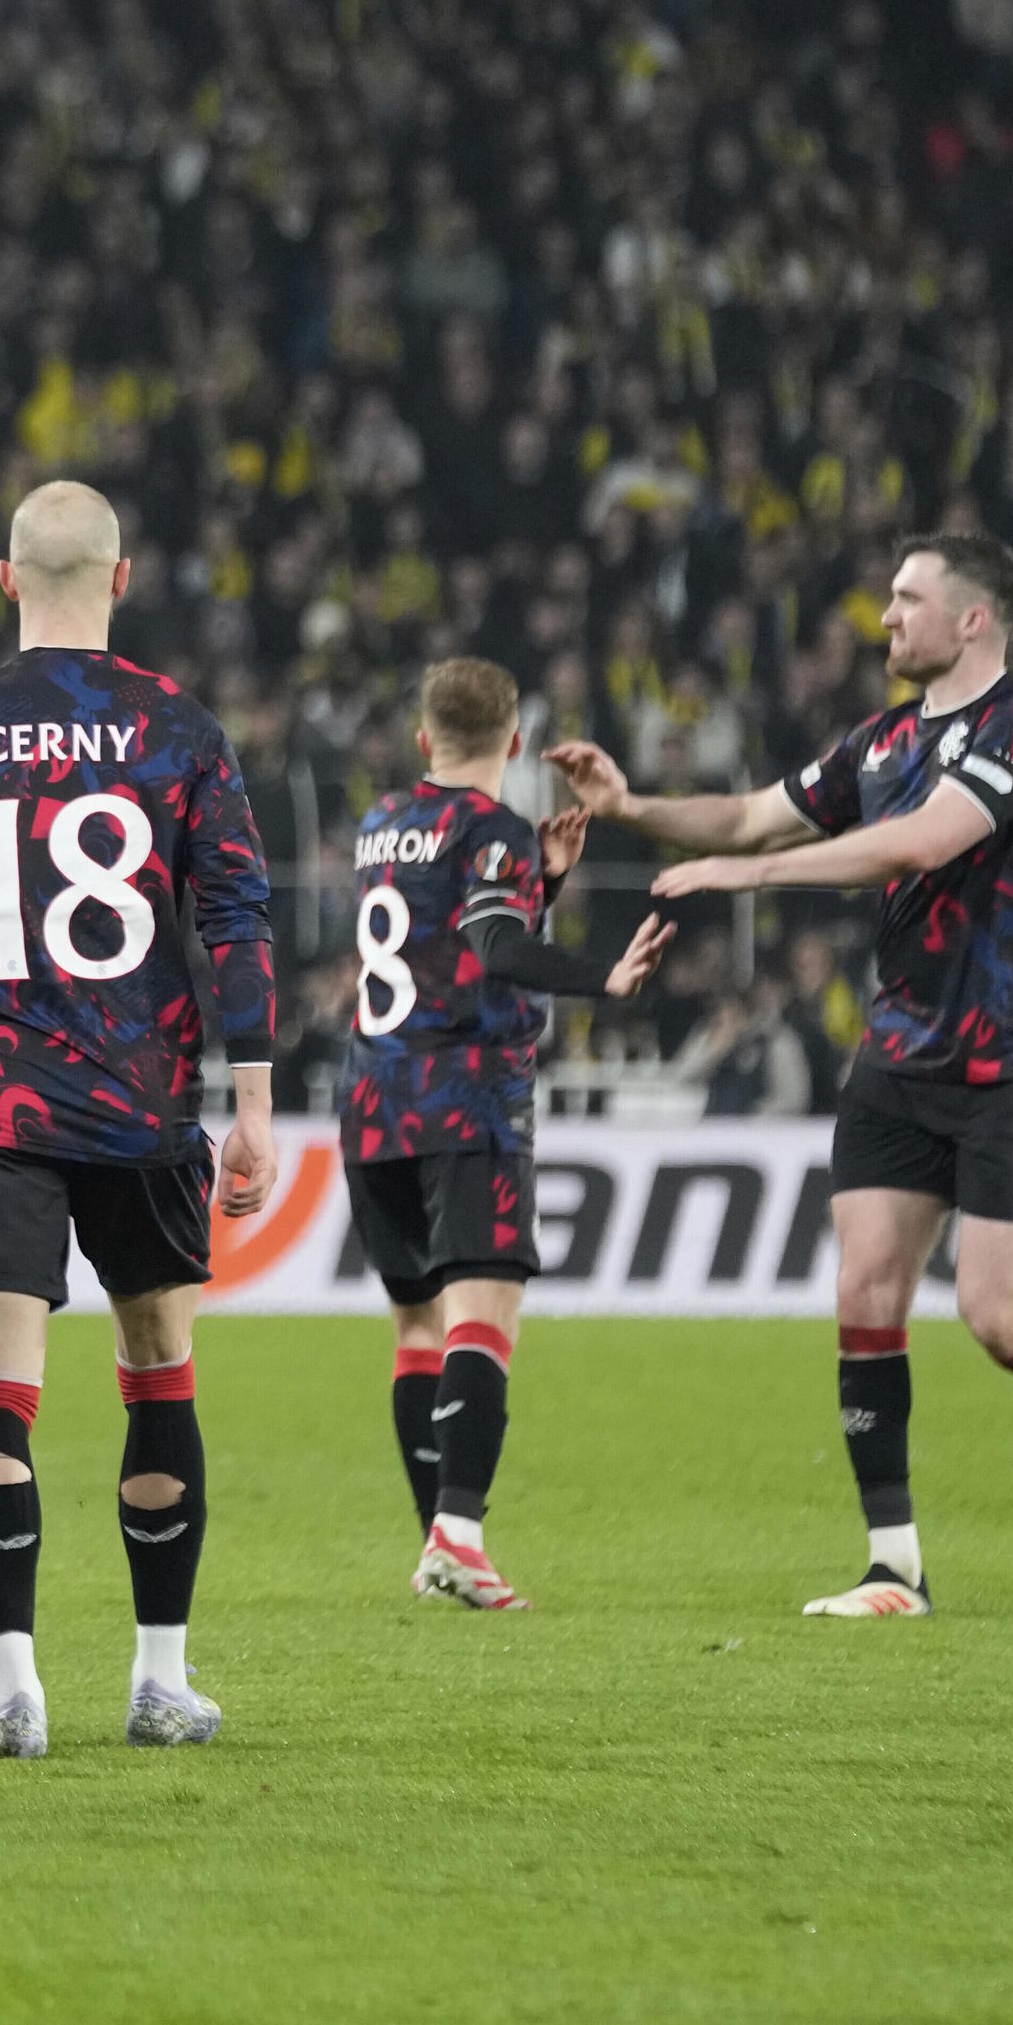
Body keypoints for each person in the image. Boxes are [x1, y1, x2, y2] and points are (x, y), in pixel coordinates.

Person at [549, 529, 1013, 1617]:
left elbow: (922, 842)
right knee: (864, 1293)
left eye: (906, 597)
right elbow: (743, 814)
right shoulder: (878, 740)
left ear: (972, 618)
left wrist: (754, 877)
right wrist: (631, 805)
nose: (884, 616)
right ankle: (895, 1566)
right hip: (899, 1052)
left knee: (993, 1310)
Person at [0, 479, 280, 1759]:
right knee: (158, 1374)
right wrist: (255, 1104)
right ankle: (161, 1678)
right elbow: (238, 923)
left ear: (5, 581)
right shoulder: (183, 733)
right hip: (145, 1103)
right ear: (121, 577)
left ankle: (14, 1695)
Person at [341, 658, 672, 1611]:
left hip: (373, 1100)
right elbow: (492, 950)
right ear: (516, 742)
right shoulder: (492, 831)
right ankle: (463, 1539)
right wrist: (602, 974)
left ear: (421, 741)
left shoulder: (380, 825)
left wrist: (542, 885)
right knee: (481, 1321)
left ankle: (437, 1541)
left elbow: (452, 938)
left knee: (415, 1327)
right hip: (467, 1100)